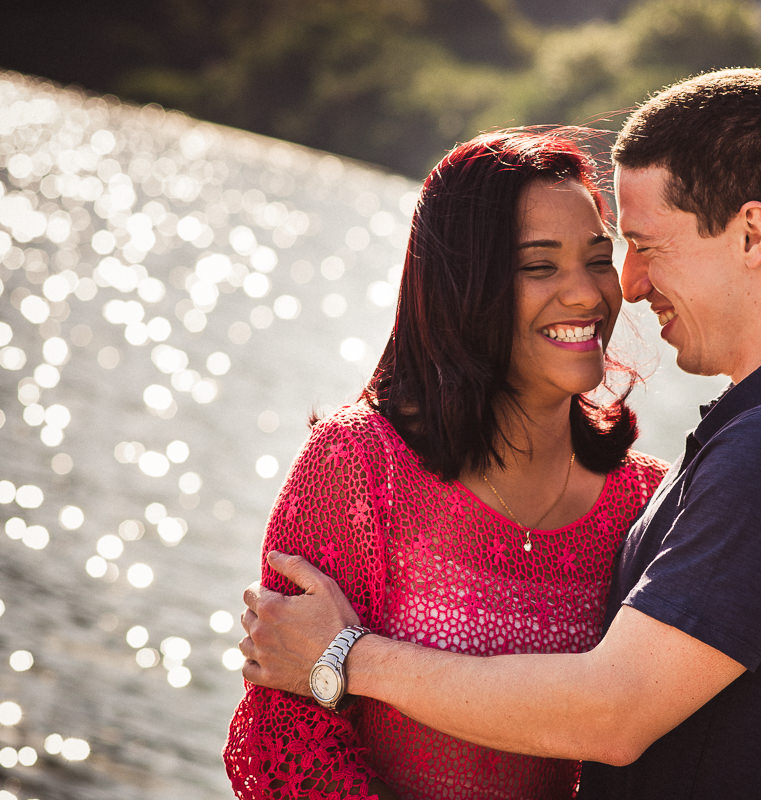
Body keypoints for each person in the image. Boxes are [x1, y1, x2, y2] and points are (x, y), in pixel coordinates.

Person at [240, 68, 761, 799]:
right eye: (545, 264)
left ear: (752, 234)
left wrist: (348, 657)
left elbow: (613, 713)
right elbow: (285, 738)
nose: (625, 285)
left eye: (641, 246)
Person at [223, 128, 670, 799]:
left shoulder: (648, 503)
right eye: (540, 266)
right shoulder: (358, 464)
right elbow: (285, 738)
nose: (587, 295)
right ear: (463, 284)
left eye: (598, 259)